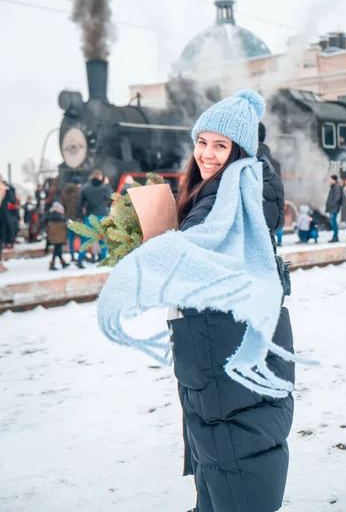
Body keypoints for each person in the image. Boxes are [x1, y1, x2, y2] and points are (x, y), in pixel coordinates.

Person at [97, 90, 296, 512]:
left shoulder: (233, 193)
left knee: (231, 454)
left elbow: (199, 256)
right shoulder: (233, 187)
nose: (207, 153)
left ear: (238, 149)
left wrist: (151, 254)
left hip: (221, 353)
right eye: (202, 142)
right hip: (220, 349)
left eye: (220, 145)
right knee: (224, 455)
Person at [76, 169, 110, 268]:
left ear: (92, 177)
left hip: (89, 218)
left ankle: (80, 260)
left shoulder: (85, 188)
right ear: (100, 177)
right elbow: (111, 198)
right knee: (103, 241)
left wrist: (79, 216)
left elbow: (80, 204)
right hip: (102, 217)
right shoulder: (105, 188)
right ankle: (103, 260)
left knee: (86, 241)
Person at [61, 175, 82, 260]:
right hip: (78, 218)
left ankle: (72, 254)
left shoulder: (65, 192)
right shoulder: (79, 192)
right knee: (82, 236)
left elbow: (63, 205)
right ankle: (81, 254)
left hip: (68, 218)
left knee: (71, 237)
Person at [46, 202, 69, 271]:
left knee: (57, 249)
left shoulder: (50, 216)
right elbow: (64, 225)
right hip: (59, 236)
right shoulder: (60, 217)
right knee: (57, 250)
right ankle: (52, 263)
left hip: (54, 236)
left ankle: (62, 262)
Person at [325, 174, 342, 243]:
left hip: (334, 208)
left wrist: (332, 205)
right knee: (333, 221)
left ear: (333, 180)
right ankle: (335, 236)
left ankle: (335, 236)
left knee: (333, 222)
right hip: (333, 208)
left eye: (331, 179)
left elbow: (337, 198)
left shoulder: (336, 187)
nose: (329, 180)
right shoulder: (333, 187)